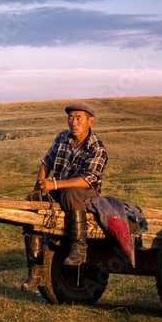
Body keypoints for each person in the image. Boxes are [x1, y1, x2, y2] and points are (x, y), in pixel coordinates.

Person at [20, 102, 108, 291]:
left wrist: (56, 184)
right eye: (70, 117)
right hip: (59, 191)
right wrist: (38, 189)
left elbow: (89, 179)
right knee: (31, 209)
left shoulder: (97, 147)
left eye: (78, 118)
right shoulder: (62, 138)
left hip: (85, 194)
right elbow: (46, 162)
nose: (73, 122)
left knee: (71, 192)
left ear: (90, 121)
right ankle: (36, 272)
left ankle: (79, 248)